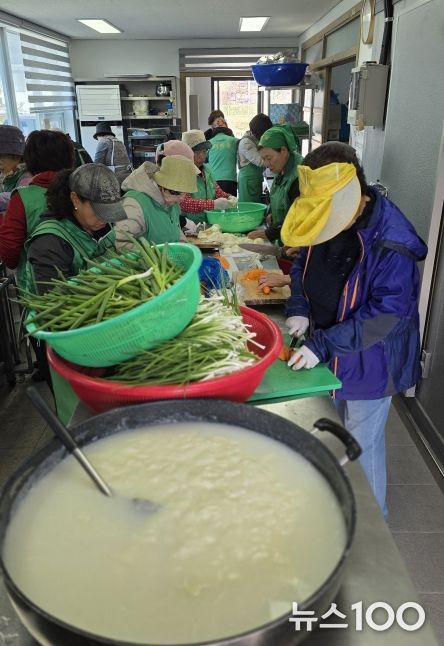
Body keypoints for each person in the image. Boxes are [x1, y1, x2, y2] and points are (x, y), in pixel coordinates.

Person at [282, 142, 427, 517]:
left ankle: (371, 526)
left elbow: (386, 315)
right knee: (335, 431)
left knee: (361, 444)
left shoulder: (392, 242)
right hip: (329, 348)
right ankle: (337, 506)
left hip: (371, 359)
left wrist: (323, 344)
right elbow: (302, 263)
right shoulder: (328, 211)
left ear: (355, 195)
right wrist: (299, 306)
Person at [24, 163, 127, 384]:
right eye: (98, 211)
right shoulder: (49, 242)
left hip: (107, 334)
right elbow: (55, 308)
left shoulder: (99, 226)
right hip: (69, 343)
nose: (105, 219)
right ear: (75, 199)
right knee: (75, 399)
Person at [0, 129, 74, 283]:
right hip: (87, 278)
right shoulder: (81, 188)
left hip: (37, 283)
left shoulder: (22, 197)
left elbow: (9, 253)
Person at [116, 155, 197, 249]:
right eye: (176, 192)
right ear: (161, 185)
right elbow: (121, 244)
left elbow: (175, 227)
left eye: (185, 193)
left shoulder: (171, 200)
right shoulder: (134, 204)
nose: (182, 199)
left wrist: (183, 245)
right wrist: (155, 256)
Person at [247, 123, 306, 244]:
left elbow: (300, 216)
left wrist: (270, 233)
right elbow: (282, 200)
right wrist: (272, 215)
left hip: (296, 243)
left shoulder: (299, 175)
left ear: (283, 150)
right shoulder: (283, 168)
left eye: (269, 158)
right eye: (263, 159)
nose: (266, 164)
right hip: (284, 238)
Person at [180, 129, 237, 224]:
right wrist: (213, 204)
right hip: (190, 224)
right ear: (187, 153)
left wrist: (229, 197)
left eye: (204, 151)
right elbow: (184, 203)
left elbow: (216, 190)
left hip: (208, 221)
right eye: (197, 152)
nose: (202, 156)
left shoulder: (207, 170)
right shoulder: (182, 173)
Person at [237, 113, 272, 204]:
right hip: (248, 181)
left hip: (254, 180)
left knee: (255, 206)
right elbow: (260, 162)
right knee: (248, 208)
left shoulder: (254, 138)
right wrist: (274, 159)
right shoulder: (246, 143)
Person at [0, 125, 32, 213]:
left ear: (17, 156)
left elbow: (20, 197)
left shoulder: (27, 177)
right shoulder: (4, 175)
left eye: (2, 157)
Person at [206, 123, 238, 196]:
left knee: (217, 202)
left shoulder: (209, 142)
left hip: (213, 180)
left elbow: (205, 161)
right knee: (231, 202)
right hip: (230, 179)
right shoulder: (234, 141)